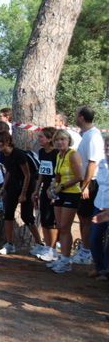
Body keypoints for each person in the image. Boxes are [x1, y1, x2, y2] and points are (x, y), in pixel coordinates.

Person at [0, 131, 44, 255]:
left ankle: (39, 244)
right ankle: (9, 244)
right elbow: (9, 172)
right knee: (8, 214)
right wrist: (3, 189)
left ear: (7, 142)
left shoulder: (18, 154)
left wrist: (24, 193)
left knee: (26, 216)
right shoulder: (2, 154)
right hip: (13, 185)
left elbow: (28, 175)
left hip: (27, 186)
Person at [46, 129, 83, 273]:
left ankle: (66, 260)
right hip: (60, 193)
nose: (60, 142)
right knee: (60, 227)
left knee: (65, 227)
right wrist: (51, 188)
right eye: (57, 140)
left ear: (68, 141)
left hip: (71, 193)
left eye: (63, 139)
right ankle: (62, 259)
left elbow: (79, 176)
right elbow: (57, 176)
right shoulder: (59, 156)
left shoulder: (72, 155)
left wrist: (61, 187)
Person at [72, 106, 105, 265]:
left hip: (91, 181)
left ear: (82, 118)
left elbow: (93, 163)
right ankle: (85, 249)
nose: (75, 117)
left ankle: (86, 252)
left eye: (76, 115)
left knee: (86, 219)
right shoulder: (86, 135)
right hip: (86, 180)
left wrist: (85, 186)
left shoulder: (93, 136)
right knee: (83, 217)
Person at [31, 128, 59, 261]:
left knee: (51, 220)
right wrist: (37, 189)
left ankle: (53, 249)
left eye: (41, 137)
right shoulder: (42, 152)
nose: (38, 139)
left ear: (49, 139)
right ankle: (47, 247)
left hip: (54, 189)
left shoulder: (56, 153)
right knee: (44, 219)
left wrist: (53, 189)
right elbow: (42, 172)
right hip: (44, 188)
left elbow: (57, 174)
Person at [89, 135, 109, 279]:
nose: (107, 148)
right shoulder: (102, 162)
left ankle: (106, 270)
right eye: (107, 145)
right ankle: (99, 266)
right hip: (99, 204)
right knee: (94, 237)